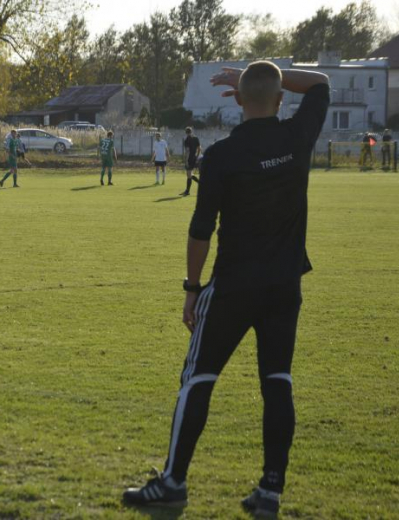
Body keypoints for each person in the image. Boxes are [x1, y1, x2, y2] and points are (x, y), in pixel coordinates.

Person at [122, 62, 330, 518]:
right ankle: (270, 490)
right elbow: (320, 83)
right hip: (284, 287)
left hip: (233, 287)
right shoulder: (297, 137)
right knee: (277, 381)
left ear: (237, 101)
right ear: (280, 100)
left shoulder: (221, 156)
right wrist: (265, 76)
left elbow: (201, 229)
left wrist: (192, 288)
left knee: (198, 377)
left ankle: (173, 483)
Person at [181, 127, 201, 196]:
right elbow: (199, 148)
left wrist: (186, 160)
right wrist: (197, 157)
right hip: (194, 158)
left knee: (189, 175)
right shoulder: (196, 138)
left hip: (189, 159)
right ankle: (200, 183)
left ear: (186, 132)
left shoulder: (187, 140)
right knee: (189, 174)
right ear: (191, 131)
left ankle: (187, 191)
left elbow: (187, 151)